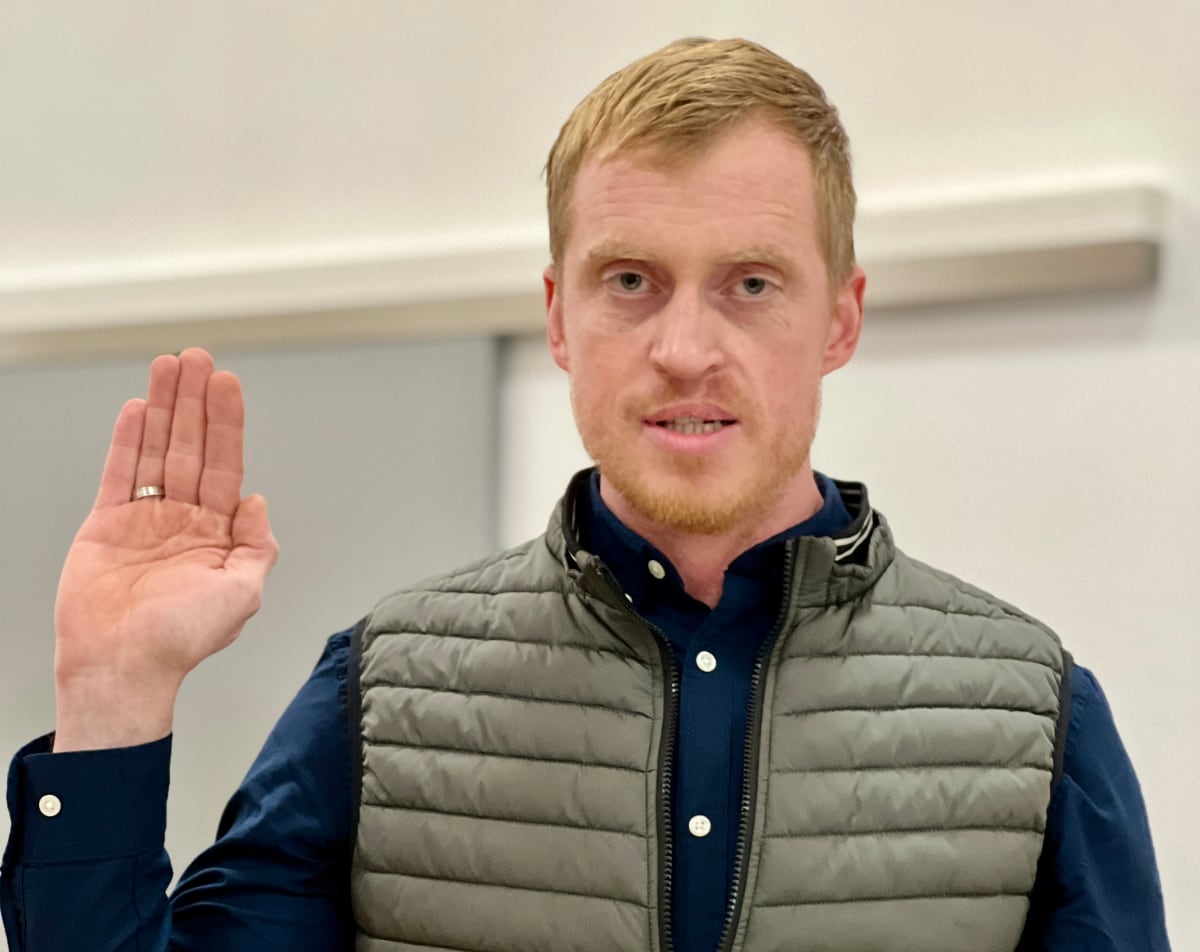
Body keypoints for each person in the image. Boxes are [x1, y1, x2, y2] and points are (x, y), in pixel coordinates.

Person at [0, 36, 1170, 952]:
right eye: (631, 280)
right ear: (560, 316)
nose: (685, 348)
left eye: (751, 284)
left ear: (840, 319)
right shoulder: (381, 694)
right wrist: (113, 693)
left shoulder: (1036, 720)